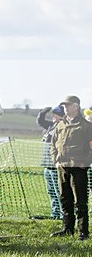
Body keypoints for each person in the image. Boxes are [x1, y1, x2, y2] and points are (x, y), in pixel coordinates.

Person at [50, 95, 92, 240]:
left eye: (68, 105)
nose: (65, 108)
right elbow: (53, 143)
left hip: (78, 168)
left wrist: (84, 163)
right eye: (64, 106)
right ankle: (67, 228)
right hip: (62, 167)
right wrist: (55, 159)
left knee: (80, 200)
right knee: (64, 198)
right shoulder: (60, 125)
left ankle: (83, 231)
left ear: (76, 106)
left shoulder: (86, 126)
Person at [37, 105, 65, 219]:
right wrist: (43, 112)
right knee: (51, 191)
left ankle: (63, 214)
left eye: (56, 114)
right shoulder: (51, 126)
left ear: (62, 117)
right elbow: (40, 121)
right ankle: (55, 214)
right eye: (52, 114)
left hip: (55, 165)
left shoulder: (63, 127)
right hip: (47, 164)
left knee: (59, 191)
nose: (53, 116)